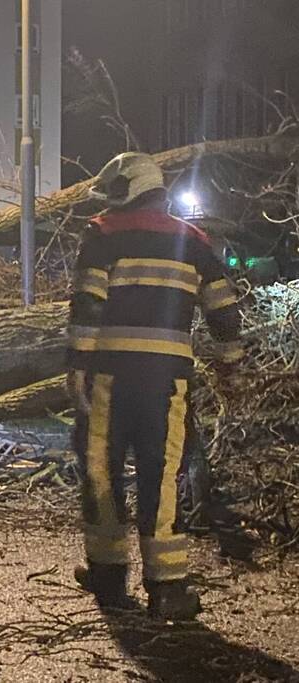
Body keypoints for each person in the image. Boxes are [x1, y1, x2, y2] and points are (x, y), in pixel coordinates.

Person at [66, 152, 243, 621]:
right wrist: (231, 364)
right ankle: (167, 589)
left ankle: (107, 575)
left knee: (101, 471)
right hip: (166, 384)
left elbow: (87, 306)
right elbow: (223, 306)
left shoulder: (102, 234)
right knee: (161, 478)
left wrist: (77, 367)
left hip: (108, 377)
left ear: (123, 189)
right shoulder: (194, 240)